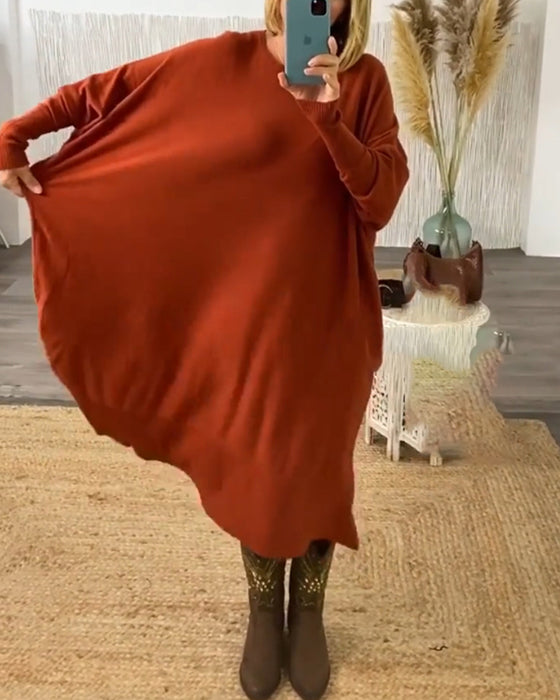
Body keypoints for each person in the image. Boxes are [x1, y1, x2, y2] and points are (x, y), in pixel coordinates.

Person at [0, 0, 408, 697]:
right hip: (244, 322)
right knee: (255, 464)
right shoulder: (221, 61)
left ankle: (308, 611)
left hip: (331, 317)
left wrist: (326, 115)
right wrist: (14, 135)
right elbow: (101, 94)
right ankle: (264, 612)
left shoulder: (363, 80)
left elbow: (381, 202)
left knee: (319, 468)